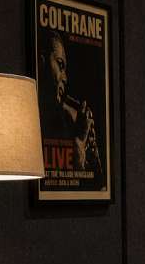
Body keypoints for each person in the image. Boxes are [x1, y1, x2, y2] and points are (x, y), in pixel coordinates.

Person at [38, 28, 101, 176]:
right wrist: (79, 141)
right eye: (60, 65)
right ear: (41, 64)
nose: (64, 78)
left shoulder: (66, 119)